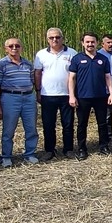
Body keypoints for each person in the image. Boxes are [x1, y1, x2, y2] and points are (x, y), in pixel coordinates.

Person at [0, 36, 40, 167]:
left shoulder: (28, 64)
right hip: (10, 98)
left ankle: (30, 154)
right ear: (6, 49)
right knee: (8, 130)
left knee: (31, 128)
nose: (14, 48)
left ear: (21, 48)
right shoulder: (1, 64)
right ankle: (6, 156)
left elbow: (32, 81)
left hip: (29, 98)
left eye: (17, 46)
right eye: (11, 46)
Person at [34, 28, 77, 161]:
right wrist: (38, 91)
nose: (55, 40)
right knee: (48, 124)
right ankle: (49, 150)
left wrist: (73, 94)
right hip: (48, 95)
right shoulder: (41, 55)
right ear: (47, 39)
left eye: (57, 37)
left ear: (62, 38)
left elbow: (75, 75)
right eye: (51, 37)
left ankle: (68, 149)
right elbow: (37, 73)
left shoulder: (72, 53)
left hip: (66, 94)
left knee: (68, 124)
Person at [69, 32, 112, 159]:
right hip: (83, 97)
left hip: (101, 96)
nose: (90, 44)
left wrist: (111, 94)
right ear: (83, 43)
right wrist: (72, 96)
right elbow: (71, 78)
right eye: (87, 42)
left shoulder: (103, 59)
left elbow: (108, 77)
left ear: (97, 43)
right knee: (82, 124)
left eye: (92, 42)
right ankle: (82, 148)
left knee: (103, 123)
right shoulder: (77, 59)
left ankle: (104, 146)